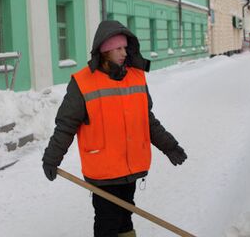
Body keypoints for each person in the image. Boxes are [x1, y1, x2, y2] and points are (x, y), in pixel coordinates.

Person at [42, 20, 187, 237]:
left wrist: (170, 146)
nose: (123, 53)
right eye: (118, 48)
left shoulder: (136, 77)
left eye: (125, 48)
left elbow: (146, 120)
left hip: (130, 167)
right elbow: (66, 125)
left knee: (125, 215)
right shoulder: (83, 82)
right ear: (105, 50)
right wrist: (52, 158)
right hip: (104, 170)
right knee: (107, 222)